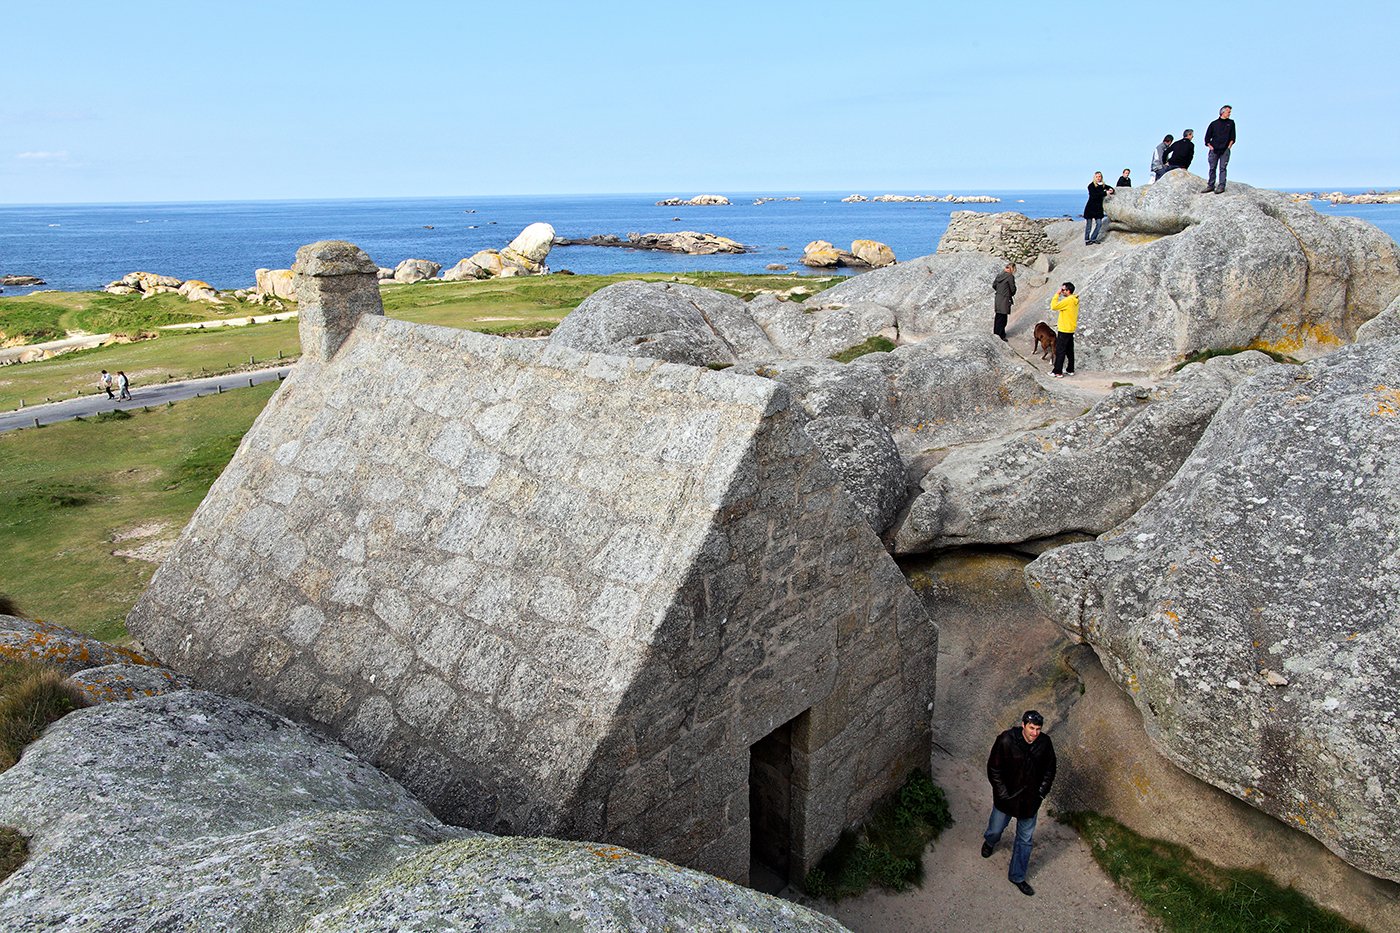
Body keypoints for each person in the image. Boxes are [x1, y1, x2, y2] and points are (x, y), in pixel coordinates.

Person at [982, 710, 1057, 896]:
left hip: (1030, 801)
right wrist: (1002, 793)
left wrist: (1041, 793)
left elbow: (1050, 770)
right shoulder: (1006, 740)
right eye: (1032, 728)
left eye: (1038, 729)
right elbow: (994, 768)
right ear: (1023, 725)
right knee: (995, 828)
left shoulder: (1045, 744)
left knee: (1025, 840)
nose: (1035, 733)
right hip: (1006, 798)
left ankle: (1017, 876)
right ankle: (990, 842)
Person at [1203, 104, 1236, 193]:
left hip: (1225, 149)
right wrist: (1211, 147)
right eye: (1228, 112)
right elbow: (1207, 138)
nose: (1229, 114)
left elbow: (1233, 137)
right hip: (1214, 150)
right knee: (1212, 168)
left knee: (1223, 168)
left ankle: (1221, 186)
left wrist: (1229, 147)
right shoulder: (1214, 124)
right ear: (1223, 112)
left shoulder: (1231, 123)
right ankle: (1211, 185)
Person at [1050, 282, 1078, 377]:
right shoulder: (1074, 299)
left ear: (1068, 291)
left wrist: (1056, 294)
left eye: (1063, 290)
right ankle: (1070, 369)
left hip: (1064, 329)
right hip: (1070, 328)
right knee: (1070, 350)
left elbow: (1054, 306)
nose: (1062, 292)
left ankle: (1057, 371)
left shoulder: (1068, 300)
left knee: (1060, 350)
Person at [1082, 172, 1114, 246]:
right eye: (1097, 177)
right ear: (1094, 177)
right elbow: (1094, 195)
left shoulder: (1103, 185)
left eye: (1099, 176)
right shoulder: (1091, 186)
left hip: (1098, 208)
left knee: (1099, 224)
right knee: (1089, 226)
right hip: (1090, 208)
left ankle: (1093, 238)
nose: (1098, 178)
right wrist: (1105, 193)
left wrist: (1111, 190)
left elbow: (1109, 187)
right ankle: (1087, 240)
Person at [991, 263, 1016, 341]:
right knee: (1003, 318)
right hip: (1005, 298)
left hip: (998, 297)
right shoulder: (1010, 276)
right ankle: (1001, 335)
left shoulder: (999, 275)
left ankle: (996, 333)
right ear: (1012, 269)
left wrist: (1000, 291)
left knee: (998, 316)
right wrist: (1008, 292)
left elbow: (994, 285)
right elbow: (1012, 289)